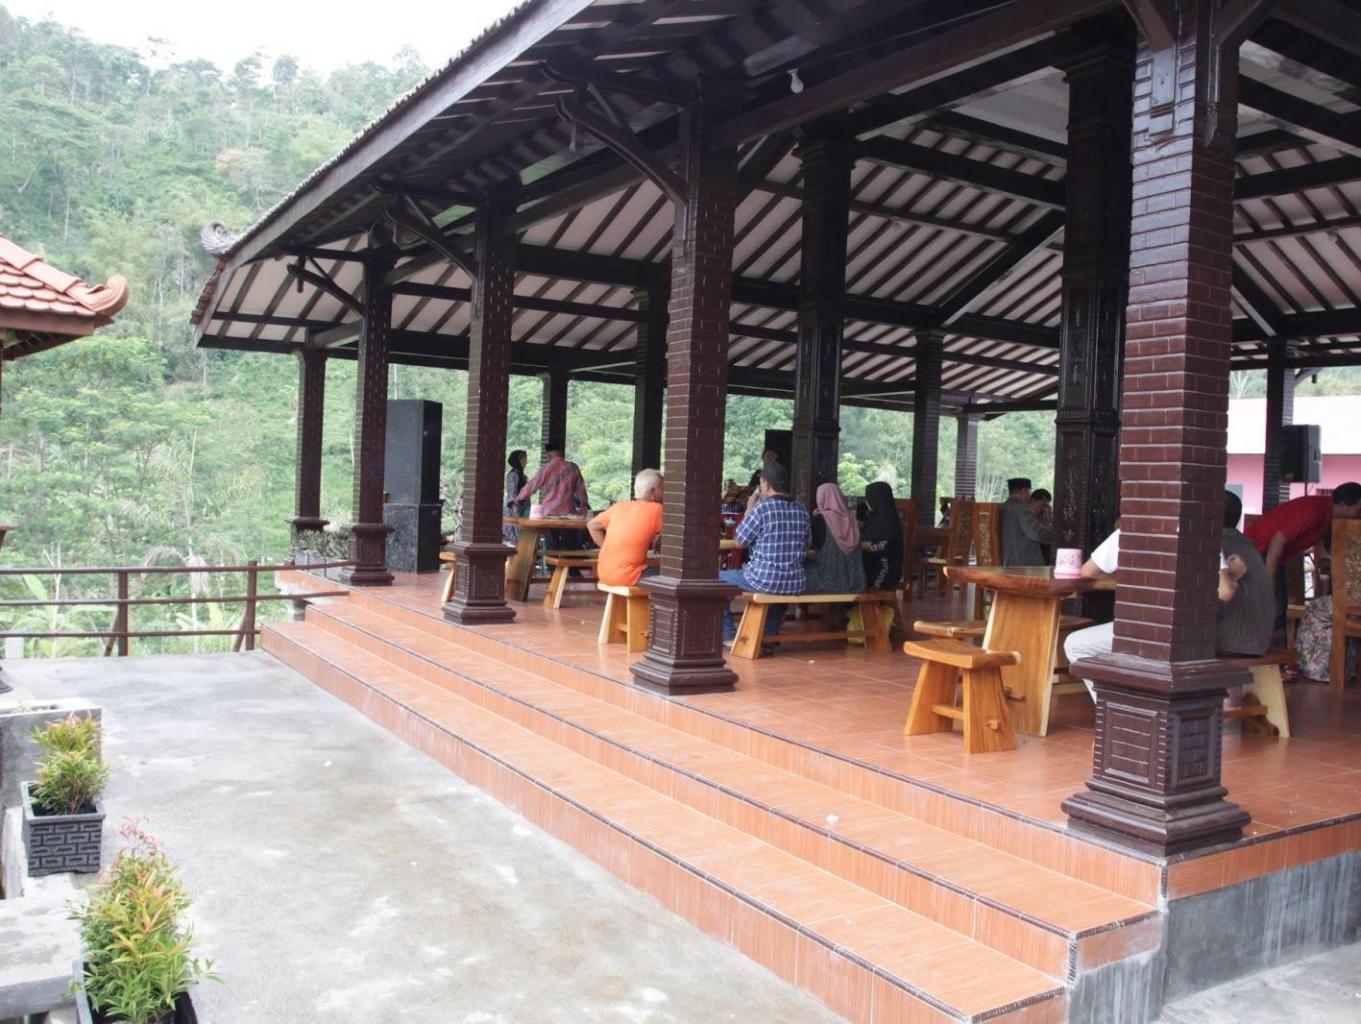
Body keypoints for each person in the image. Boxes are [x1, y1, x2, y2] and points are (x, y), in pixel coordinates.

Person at [1066, 492, 1264, 698]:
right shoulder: (1202, 535)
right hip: (1194, 635)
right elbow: (1225, 592)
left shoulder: (1130, 529)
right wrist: (1233, 575)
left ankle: (1114, 705)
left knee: (1075, 645)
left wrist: (1130, 575)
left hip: (1144, 631)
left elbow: (1087, 572)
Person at [721, 463, 809, 648]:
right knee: (779, 586)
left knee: (714, 579)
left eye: (761, 483)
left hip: (763, 579)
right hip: (795, 581)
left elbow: (741, 540)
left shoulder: (762, 508)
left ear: (767, 485)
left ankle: (729, 636)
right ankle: (768, 640)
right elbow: (807, 542)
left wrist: (749, 510)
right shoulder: (801, 509)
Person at [1243, 482, 1361, 579]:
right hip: (1256, 551)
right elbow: (1278, 540)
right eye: (1359, 509)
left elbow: (1324, 543)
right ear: (1343, 505)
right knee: (1270, 596)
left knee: (1278, 598)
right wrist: (1269, 579)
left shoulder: (1329, 516)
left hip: (1272, 555)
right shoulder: (1313, 512)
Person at [587, 469, 663, 588]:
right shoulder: (656, 509)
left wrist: (609, 549)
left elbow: (592, 525)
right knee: (674, 576)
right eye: (663, 489)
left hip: (604, 573)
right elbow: (678, 533)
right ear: (653, 491)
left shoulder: (619, 506)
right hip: (629, 576)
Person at [516, 439, 591, 553]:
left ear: (549, 455)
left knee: (551, 549)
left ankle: (553, 564)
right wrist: (583, 507)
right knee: (569, 548)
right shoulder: (573, 467)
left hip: (549, 515)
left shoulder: (546, 469)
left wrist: (518, 499)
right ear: (561, 453)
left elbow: (531, 486)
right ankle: (569, 564)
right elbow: (581, 490)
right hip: (568, 515)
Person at [805, 482, 866, 595]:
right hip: (855, 581)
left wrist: (817, 517)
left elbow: (811, 545)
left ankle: (800, 607)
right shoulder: (852, 517)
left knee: (800, 570)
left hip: (827, 580)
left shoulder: (821, 519)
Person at [860, 480, 903, 591]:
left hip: (883, 573)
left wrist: (861, 546)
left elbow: (884, 546)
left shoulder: (887, 522)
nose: (867, 501)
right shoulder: (874, 518)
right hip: (872, 568)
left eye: (869, 497)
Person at [1000, 477, 1052, 567]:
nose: (1029, 497)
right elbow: (1035, 533)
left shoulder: (1003, 507)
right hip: (1025, 563)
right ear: (1024, 491)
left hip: (1009, 560)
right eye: (1029, 492)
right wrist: (1056, 538)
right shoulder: (1021, 508)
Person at [502, 449, 529, 545]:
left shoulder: (522, 475)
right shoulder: (513, 475)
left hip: (523, 507)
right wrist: (514, 508)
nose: (525, 461)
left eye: (525, 458)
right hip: (515, 508)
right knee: (515, 534)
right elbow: (512, 493)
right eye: (522, 458)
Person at [1030, 488, 1053, 564]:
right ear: (1033, 501)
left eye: (1046, 506)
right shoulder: (1026, 516)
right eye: (1042, 505)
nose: (1044, 509)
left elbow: (1051, 530)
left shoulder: (1044, 515)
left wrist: (1049, 516)